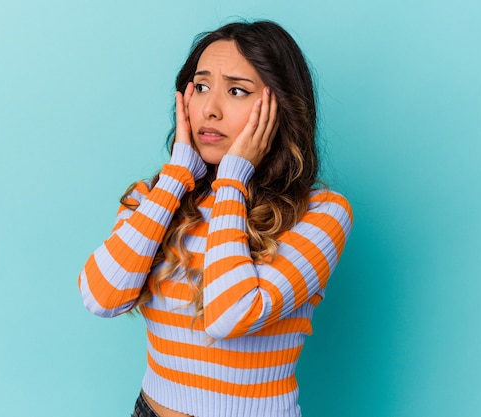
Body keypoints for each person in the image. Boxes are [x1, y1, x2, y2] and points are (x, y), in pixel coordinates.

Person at [78, 20, 353, 417]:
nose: (210, 109)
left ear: (281, 106)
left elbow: (228, 315)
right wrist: (176, 176)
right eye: (201, 87)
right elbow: (102, 297)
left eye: (237, 91)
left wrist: (233, 180)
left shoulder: (321, 213)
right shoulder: (154, 197)